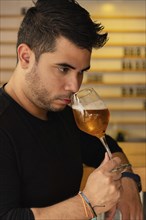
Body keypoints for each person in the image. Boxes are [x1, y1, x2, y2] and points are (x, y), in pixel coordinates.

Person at [0, 0, 143, 219]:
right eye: (63, 68)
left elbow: (107, 147)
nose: (75, 86)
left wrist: (128, 180)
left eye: (80, 71)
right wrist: (88, 204)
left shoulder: (64, 114)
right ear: (26, 57)